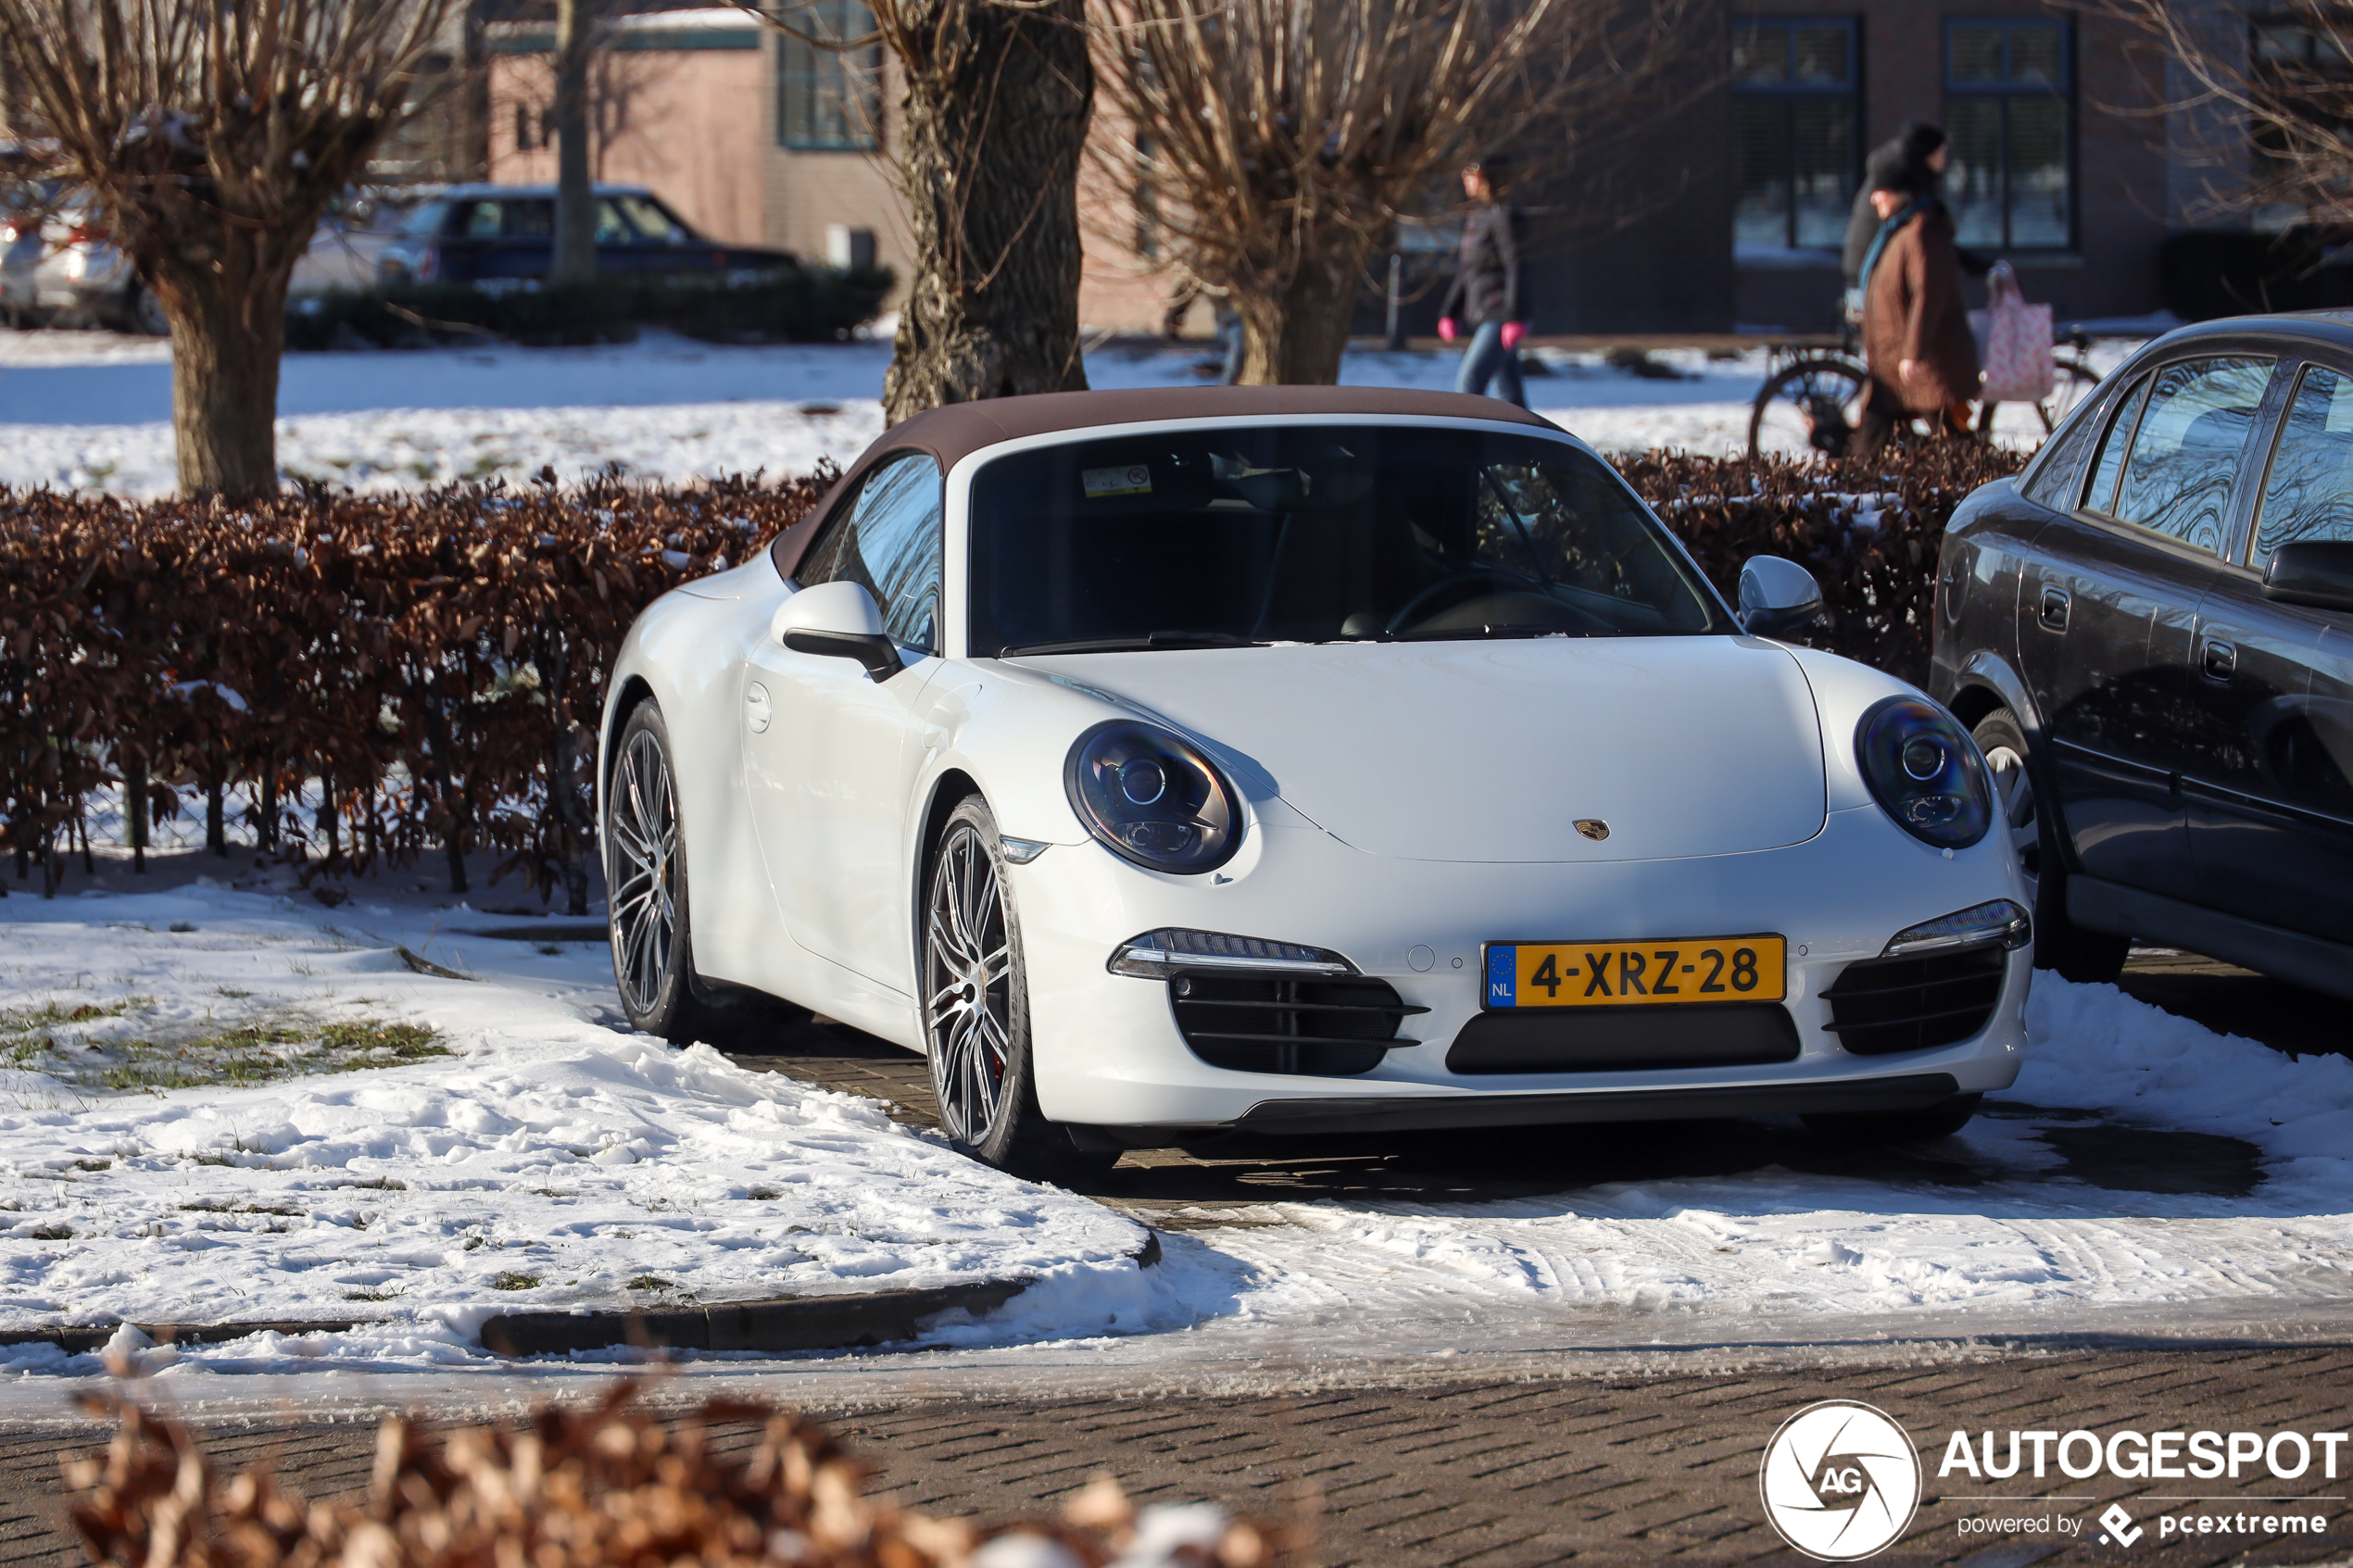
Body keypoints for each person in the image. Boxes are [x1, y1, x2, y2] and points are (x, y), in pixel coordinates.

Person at [1850, 158, 1980, 459]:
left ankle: (1988, 494)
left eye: (1880, 189)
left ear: (1900, 193)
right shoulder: (1901, 230)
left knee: (1958, 446)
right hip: (1896, 367)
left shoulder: (1922, 233)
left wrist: (1914, 353)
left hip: (1923, 367)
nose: (1873, 198)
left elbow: (1929, 295)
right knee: (1871, 444)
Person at [1437, 157, 1530, 408]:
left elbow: (1516, 265)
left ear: (1488, 179)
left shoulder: (1505, 215)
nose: (1465, 179)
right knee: (1510, 397)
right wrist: (1451, 311)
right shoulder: (1480, 215)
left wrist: (1514, 316)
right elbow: (1469, 268)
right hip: (1489, 313)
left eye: (1472, 174)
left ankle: (1468, 445)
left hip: (1501, 313)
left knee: (1469, 386)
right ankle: (1524, 445)